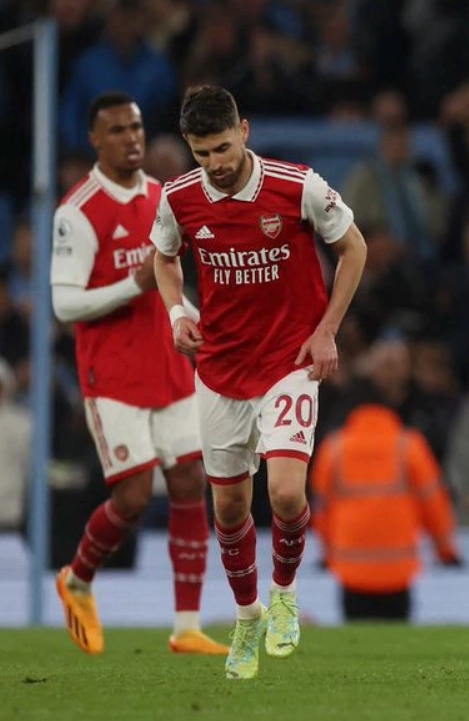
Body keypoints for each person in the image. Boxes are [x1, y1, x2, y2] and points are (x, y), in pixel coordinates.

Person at [151, 85, 368, 679]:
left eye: (222, 147)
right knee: (227, 508)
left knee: (289, 495)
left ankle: (285, 596)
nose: (215, 164)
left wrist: (327, 331)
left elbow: (354, 248)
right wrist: (177, 312)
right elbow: (163, 257)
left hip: (289, 361)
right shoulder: (179, 199)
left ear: (243, 131)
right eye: (202, 154)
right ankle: (247, 618)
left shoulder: (298, 186)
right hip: (220, 369)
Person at [49, 92, 226, 657]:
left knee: (188, 484)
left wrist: (195, 318)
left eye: (137, 126)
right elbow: (65, 305)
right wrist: (136, 285)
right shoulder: (77, 212)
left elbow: (167, 281)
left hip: (168, 365)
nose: (132, 137)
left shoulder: (162, 198)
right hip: (114, 374)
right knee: (130, 498)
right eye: (118, 130)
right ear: (95, 140)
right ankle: (76, 579)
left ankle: (186, 625)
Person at [311, 377, 461, 622]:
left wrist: (328, 555)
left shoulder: (334, 449)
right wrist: (446, 552)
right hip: (398, 570)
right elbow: (435, 505)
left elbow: (320, 510)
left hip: (351, 570)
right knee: (398, 650)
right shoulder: (408, 446)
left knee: (356, 649)